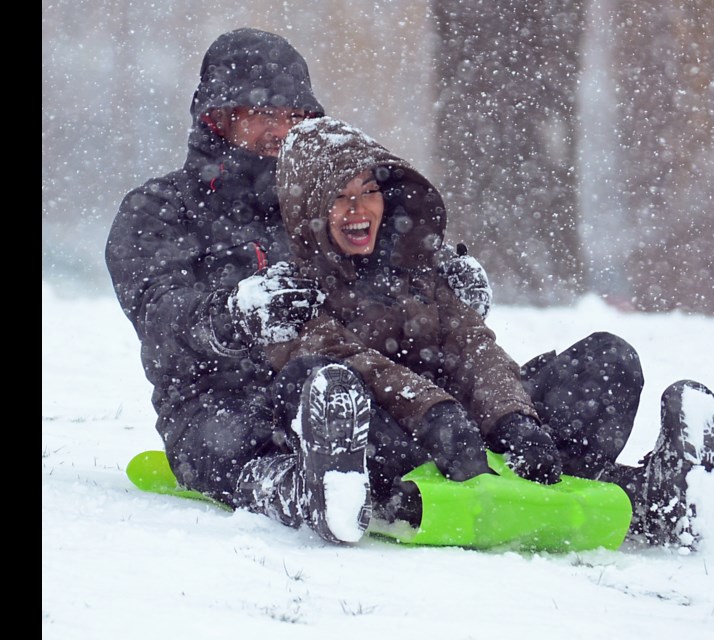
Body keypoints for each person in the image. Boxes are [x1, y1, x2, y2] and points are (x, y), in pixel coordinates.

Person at [229, 116, 714, 550]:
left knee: (608, 357)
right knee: (325, 382)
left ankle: (658, 499)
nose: (358, 210)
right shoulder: (289, 290)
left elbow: (476, 348)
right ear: (311, 212)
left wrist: (513, 422)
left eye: (368, 193)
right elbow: (350, 359)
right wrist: (436, 417)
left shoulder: (418, 268)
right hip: (395, 443)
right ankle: (350, 491)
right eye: (340, 199)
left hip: (473, 440)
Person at [103, 28, 491, 532]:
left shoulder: (325, 205)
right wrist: (232, 317)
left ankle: (566, 467)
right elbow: (160, 317)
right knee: (229, 445)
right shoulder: (160, 211)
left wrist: (442, 289)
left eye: (294, 116)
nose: (281, 129)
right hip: (221, 406)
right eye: (264, 113)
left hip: (356, 387)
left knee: (453, 394)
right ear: (216, 118)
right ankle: (297, 490)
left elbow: (386, 280)